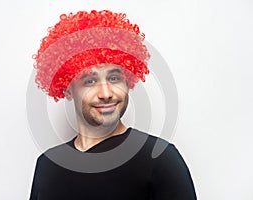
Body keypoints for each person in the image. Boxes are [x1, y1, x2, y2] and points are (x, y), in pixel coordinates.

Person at [29, 10, 197, 200]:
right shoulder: (47, 165)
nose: (106, 94)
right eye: (90, 81)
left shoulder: (159, 159)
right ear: (68, 88)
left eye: (114, 78)